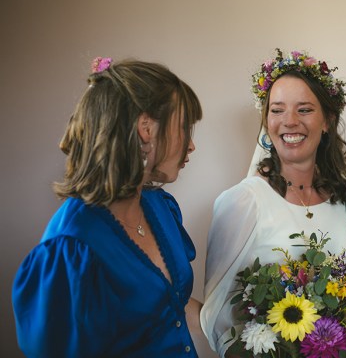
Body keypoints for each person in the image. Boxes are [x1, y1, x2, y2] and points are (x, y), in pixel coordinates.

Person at [12, 57, 203, 357]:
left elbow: (172, 308)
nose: (191, 145)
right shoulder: (71, 249)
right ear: (146, 128)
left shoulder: (159, 207)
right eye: (183, 127)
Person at [201, 49, 346, 357]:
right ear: (266, 120)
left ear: (328, 121)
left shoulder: (343, 202)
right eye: (277, 110)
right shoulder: (243, 201)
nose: (289, 122)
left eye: (305, 110)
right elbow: (215, 313)